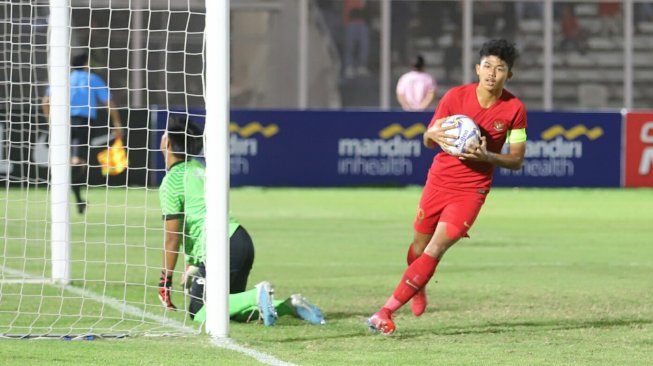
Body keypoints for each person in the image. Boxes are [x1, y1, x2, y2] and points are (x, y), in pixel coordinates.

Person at [366, 39, 527, 334]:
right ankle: (418, 284)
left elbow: (516, 160)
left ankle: (385, 311)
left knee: (436, 248)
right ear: (478, 69)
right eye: (487, 66)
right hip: (439, 181)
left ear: (509, 75)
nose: (492, 73)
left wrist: (487, 155)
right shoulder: (455, 97)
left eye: (500, 69)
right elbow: (428, 139)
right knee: (419, 247)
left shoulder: (515, 110)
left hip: (472, 190)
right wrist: (433, 134)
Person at [157, 117, 325, 326]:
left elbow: (172, 238)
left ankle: (257, 294)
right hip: (239, 240)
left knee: (199, 310)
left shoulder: (171, 181)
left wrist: (165, 281)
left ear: (167, 143)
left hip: (221, 245)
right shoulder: (199, 169)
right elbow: (199, 215)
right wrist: (194, 264)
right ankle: (289, 305)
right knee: (230, 311)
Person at [41, 53, 123, 214]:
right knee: (79, 163)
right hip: (83, 123)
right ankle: (74, 197)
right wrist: (117, 123)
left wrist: (50, 121)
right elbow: (108, 102)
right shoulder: (92, 79)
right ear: (85, 64)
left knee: (69, 161)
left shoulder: (64, 79)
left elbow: (45, 101)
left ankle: (77, 199)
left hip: (62, 123)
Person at [342, 0, 370, 79]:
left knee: (364, 45)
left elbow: (365, 7)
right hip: (350, 22)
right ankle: (349, 66)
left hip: (362, 21)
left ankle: (361, 66)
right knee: (349, 45)